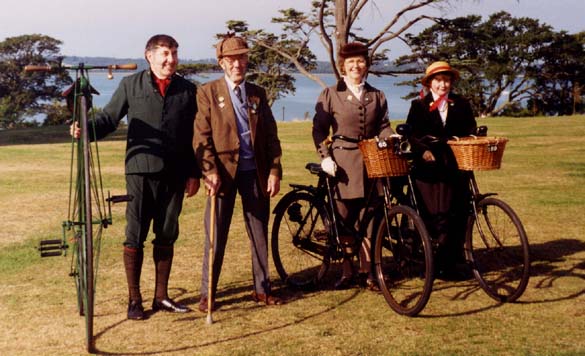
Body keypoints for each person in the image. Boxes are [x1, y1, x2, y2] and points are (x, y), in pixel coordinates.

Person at [71, 34, 201, 320]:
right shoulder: (130, 85)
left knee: (167, 233)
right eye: (165, 53)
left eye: (175, 53)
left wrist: (194, 173)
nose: (171, 59)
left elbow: (195, 136)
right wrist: (84, 128)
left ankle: (161, 297)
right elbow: (108, 118)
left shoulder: (188, 90)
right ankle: (134, 300)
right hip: (140, 171)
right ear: (149, 55)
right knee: (135, 234)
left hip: (176, 173)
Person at [193, 34, 283, 313]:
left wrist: (274, 169)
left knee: (258, 232)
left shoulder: (258, 93)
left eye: (242, 58)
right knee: (216, 235)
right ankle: (208, 294)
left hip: (254, 173)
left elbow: (270, 136)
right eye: (231, 59)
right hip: (222, 175)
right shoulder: (207, 92)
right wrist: (209, 171)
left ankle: (262, 289)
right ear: (222, 63)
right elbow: (201, 137)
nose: (238, 64)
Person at [312, 42, 393, 290]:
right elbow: (318, 129)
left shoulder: (376, 95)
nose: (356, 66)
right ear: (342, 67)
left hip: (371, 163)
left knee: (370, 218)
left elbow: (383, 126)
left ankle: (368, 273)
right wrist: (325, 156)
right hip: (342, 165)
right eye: (350, 63)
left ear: (366, 65)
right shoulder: (331, 94)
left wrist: (390, 137)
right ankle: (347, 272)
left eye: (360, 61)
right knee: (345, 219)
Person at [405, 61, 477, 280]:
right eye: (438, 80)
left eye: (446, 80)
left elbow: (471, 130)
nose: (443, 85)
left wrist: (468, 140)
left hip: (456, 167)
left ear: (451, 82)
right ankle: (429, 262)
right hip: (428, 170)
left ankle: (452, 263)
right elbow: (411, 134)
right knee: (434, 217)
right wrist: (423, 150)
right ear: (429, 84)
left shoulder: (461, 104)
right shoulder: (418, 106)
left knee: (458, 215)